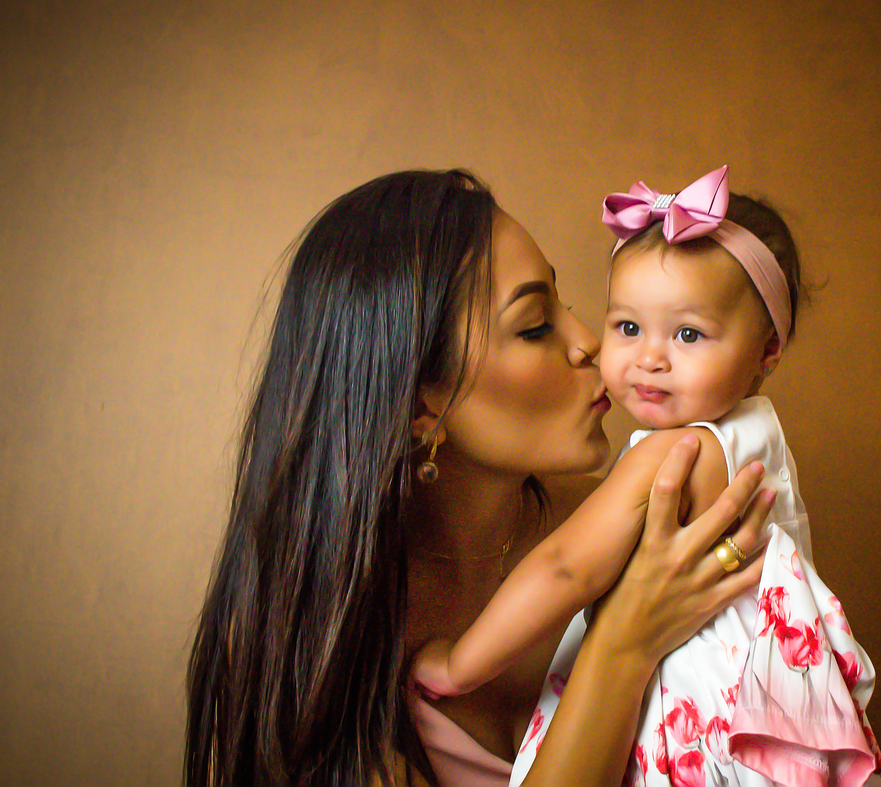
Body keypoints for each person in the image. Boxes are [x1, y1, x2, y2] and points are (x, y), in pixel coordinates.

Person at [184, 169, 779, 787]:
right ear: (420, 406)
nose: (589, 345)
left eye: (565, 302)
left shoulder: (645, 515)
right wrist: (624, 645)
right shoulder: (327, 636)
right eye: (534, 326)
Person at [413, 167, 881, 787]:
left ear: (767, 353)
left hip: (705, 728)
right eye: (628, 326)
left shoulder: (673, 459)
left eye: (688, 334)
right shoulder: (757, 437)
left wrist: (457, 665)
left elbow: (566, 568)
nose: (646, 358)